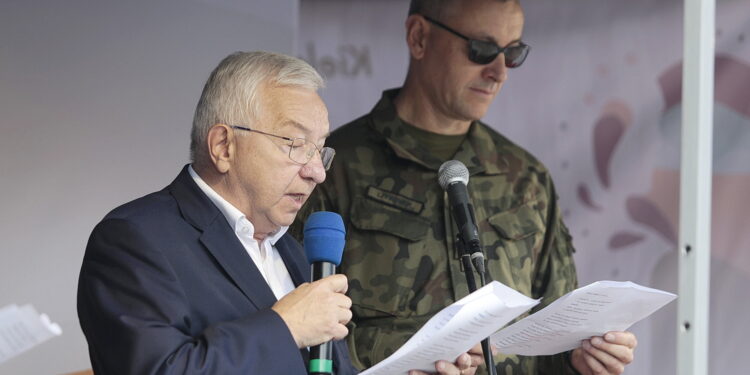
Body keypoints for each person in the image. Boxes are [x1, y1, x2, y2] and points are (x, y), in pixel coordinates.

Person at [291, 1, 638, 374]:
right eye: (482, 49)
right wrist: (421, 353)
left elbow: (557, 336)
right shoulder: (330, 168)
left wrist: (582, 359)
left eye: (513, 53)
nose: (498, 71)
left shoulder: (525, 178)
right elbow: (298, 330)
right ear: (419, 37)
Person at [77, 51, 476, 375]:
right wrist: (286, 327)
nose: (317, 171)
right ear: (223, 146)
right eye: (295, 143)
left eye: (320, 149)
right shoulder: (133, 240)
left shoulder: (293, 251)